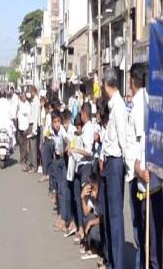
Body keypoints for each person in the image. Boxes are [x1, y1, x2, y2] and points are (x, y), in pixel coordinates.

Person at [128, 63, 163, 269]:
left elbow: (139, 144)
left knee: (149, 243)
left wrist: (139, 168)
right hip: (152, 182)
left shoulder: (140, 106)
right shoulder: (149, 102)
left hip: (147, 182)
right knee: (153, 243)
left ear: (132, 81)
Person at [100, 67, 127, 269]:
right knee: (108, 214)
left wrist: (127, 169)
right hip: (109, 162)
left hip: (116, 163)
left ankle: (117, 264)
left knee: (115, 216)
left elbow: (123, 139)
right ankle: (110, 260)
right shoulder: (112, 105)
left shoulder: (118, 106)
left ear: (105, 84)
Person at [69, 103, 94, 243]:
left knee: (85, 199)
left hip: (86, 167)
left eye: (82, 113)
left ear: (85, 113)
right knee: (78, 198)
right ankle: (80, 228)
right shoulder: (84, 129)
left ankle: (86, 233)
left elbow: (89, 152)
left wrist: (77, 150)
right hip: (79, 166)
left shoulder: (89, 128)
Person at [80, 172, 104, 260]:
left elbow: (105, 218)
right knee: (86, 218)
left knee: (93, 230)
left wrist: (91, 223)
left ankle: (100, 249)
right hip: (98, 220)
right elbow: (86, 212)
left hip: (103, 223)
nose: (92, 193)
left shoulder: (102, 196)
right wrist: (83, 198)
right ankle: (92, 247)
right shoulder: (91, 196)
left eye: (94, 189)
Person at [17, 93, 32, 172]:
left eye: (23, 96)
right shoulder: (19, 104)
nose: (22, 97)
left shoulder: (28, 105)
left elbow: (28, 117)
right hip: (20, 126)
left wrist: (27, 128)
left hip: (25, 127)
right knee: (20, 143)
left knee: (26, 144)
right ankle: (22, 157)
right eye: (21, 96)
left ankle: (25, 158)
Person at [29, 86, 41, 173]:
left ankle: (34, 166)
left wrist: (34, 129)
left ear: (33, 91)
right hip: (32, 124)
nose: (30, 93)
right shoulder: (34, 100)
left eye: (30, 92)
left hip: (34, 125)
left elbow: (36, 116)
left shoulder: (36, 101)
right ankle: (33, 164)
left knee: (33, 147)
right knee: (32, 146)